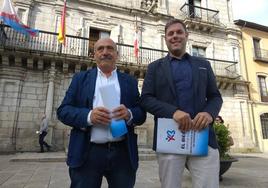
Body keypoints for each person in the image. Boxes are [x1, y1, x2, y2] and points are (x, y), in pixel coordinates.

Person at [140, 19, 223, 188]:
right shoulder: (154, 67)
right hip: (170, 138)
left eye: (179, 32)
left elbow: (215, 97)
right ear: (165, 39)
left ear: (186, 35)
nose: (175, 36)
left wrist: (209, 113)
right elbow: (146, 99)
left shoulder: (204, 65)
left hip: (202, 137)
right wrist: (173, 112)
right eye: (170, 33)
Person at [57, 38, 146, 188]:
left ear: (117, 54)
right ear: (94, 55)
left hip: (122, 154)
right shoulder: (80, 79)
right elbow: (63, 111)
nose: (105, 52)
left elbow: (141, 113)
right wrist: (89, 116)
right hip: (87, 153)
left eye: (110, 48)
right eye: (100, 49)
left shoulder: (129, 81)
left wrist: (129, 113)